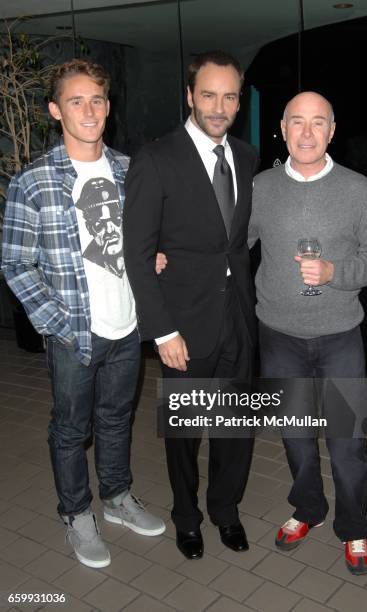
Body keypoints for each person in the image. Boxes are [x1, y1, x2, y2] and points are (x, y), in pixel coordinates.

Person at [1, 58, 165, 570]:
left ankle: (116, 498)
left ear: (108, 107)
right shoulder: (34, 181)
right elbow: (14, 261)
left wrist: (154, 258)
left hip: (127, 324)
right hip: (73, 332)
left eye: (96, 99)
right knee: (71, 429)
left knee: (117, 419)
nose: (89, 110)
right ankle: (75, 512)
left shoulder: (127, 169)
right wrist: (56, 323)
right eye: (76, 100)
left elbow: (142, 242)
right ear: (55, 110)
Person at [249, 91, 367, 575]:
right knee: (294, 436)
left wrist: (336, 271)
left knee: (348, 442)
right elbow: (229, 245)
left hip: (339, 337)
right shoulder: (261, 187)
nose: (307, 133)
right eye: (297, 122)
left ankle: (354, 526)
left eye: (317, 123)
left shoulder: (357, 189)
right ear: (283, 129)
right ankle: (308, 508)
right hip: (279, 336)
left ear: (332, 131)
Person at [123, 50, 259, 560]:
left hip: (238, 321)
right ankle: (187, 517)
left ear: (239, 101)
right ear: (189, 96)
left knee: (234, 429)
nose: (218, 106)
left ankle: (226, 510)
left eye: (229, 96)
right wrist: (162, 332)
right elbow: (137, 255)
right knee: (184, 434)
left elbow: (240, 241)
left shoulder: (245, 157)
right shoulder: (156, 158)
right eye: (208, 94)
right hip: (182, 327)